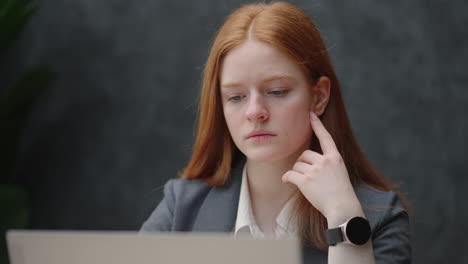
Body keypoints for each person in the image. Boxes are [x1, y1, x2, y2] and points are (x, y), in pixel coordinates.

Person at [141, 2, 411, 263]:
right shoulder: (182, 206)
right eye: (236, 97)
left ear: (318, 96)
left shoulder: (380, 217)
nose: (255, 111)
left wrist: (344, 218)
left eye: (277, 92)